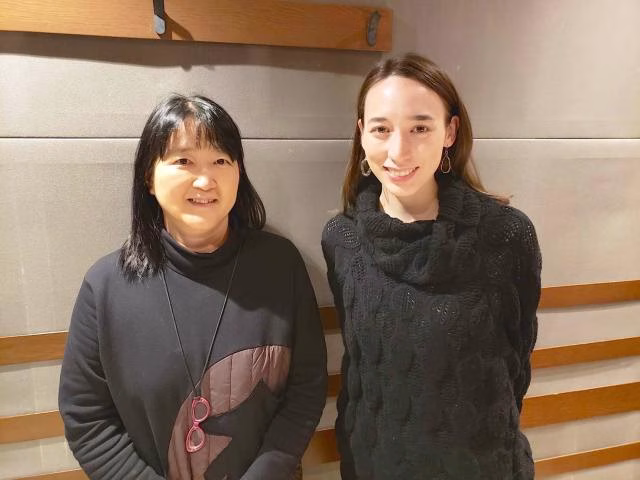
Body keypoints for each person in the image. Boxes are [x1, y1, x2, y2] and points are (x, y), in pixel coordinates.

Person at [59, 94, 327, 480]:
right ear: (149, 177)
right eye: (183, 161)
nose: (205, 180)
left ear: (239, 173)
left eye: (221, 161)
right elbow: (87, 419)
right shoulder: (105, 288)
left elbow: (306, 387)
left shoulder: (280, 265)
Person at [322, 53, 541, 479]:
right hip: (373, 465)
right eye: (382, 129)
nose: (398, 150)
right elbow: (364, 367)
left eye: (420, 128)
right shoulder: (342, 238)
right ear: (362, 133)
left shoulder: (506, 235)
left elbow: (515, 365)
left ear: (450, 132)